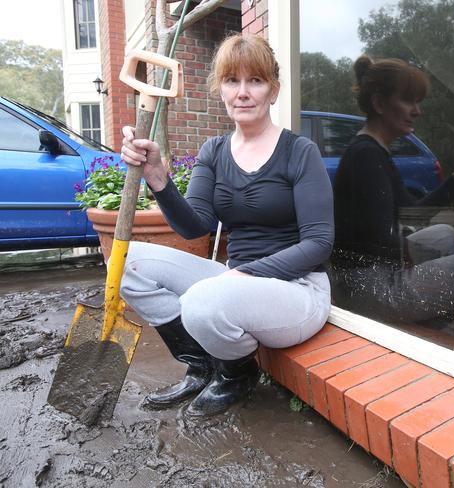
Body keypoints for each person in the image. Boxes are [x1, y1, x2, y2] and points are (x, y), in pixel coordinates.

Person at [118, 34, 333, 416]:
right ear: (220, 90)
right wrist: (156, 176)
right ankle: (202, 365)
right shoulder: (214, 152)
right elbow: (194, 226)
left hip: (298, 289)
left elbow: (319, 242)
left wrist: (244, 274)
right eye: (232, 81)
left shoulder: (300, 152)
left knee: (203, 301)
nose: (243, 93)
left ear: (274, 91)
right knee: (126, 264)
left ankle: (237, 373)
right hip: (234, 282)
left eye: (256, 81)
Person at [331, 55, 454, 323]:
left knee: (445, 234)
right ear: (379, 103)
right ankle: (431, 323)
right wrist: (433, 261)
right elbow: (377, 243)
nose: (417, 111)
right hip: (368, 289)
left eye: (418, 102)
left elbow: (412, 214)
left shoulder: (375, 152)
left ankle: (434, 318)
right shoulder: (365, 156)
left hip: (374, 273)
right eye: (408, 100)